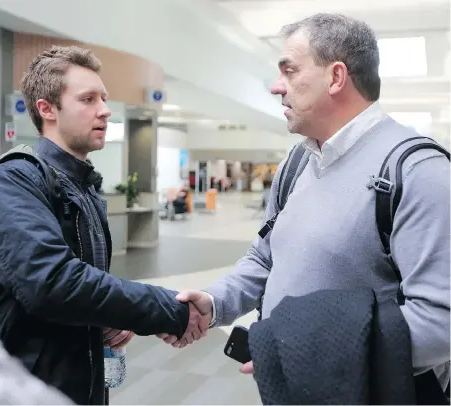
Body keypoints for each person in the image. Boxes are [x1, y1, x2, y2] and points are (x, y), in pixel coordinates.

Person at [158, 13, 450, 389]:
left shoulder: (417, 171)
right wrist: (214, 302)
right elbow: (265, 258)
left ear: (336, 77)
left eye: (289, 70)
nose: (277, 87)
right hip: (300, 383)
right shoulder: (297, 163)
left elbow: (441, 320)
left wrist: (305, 352)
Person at [0, 45, 208, 405]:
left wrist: (108, 315)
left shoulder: (83, 187)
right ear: (47, 109)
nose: (105, 109)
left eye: (104, 97)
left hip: (78, 385)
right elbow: (50, 282)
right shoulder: (13, 181)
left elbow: (82, 289)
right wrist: (168, 310)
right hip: (23, 388)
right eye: (88, 99)